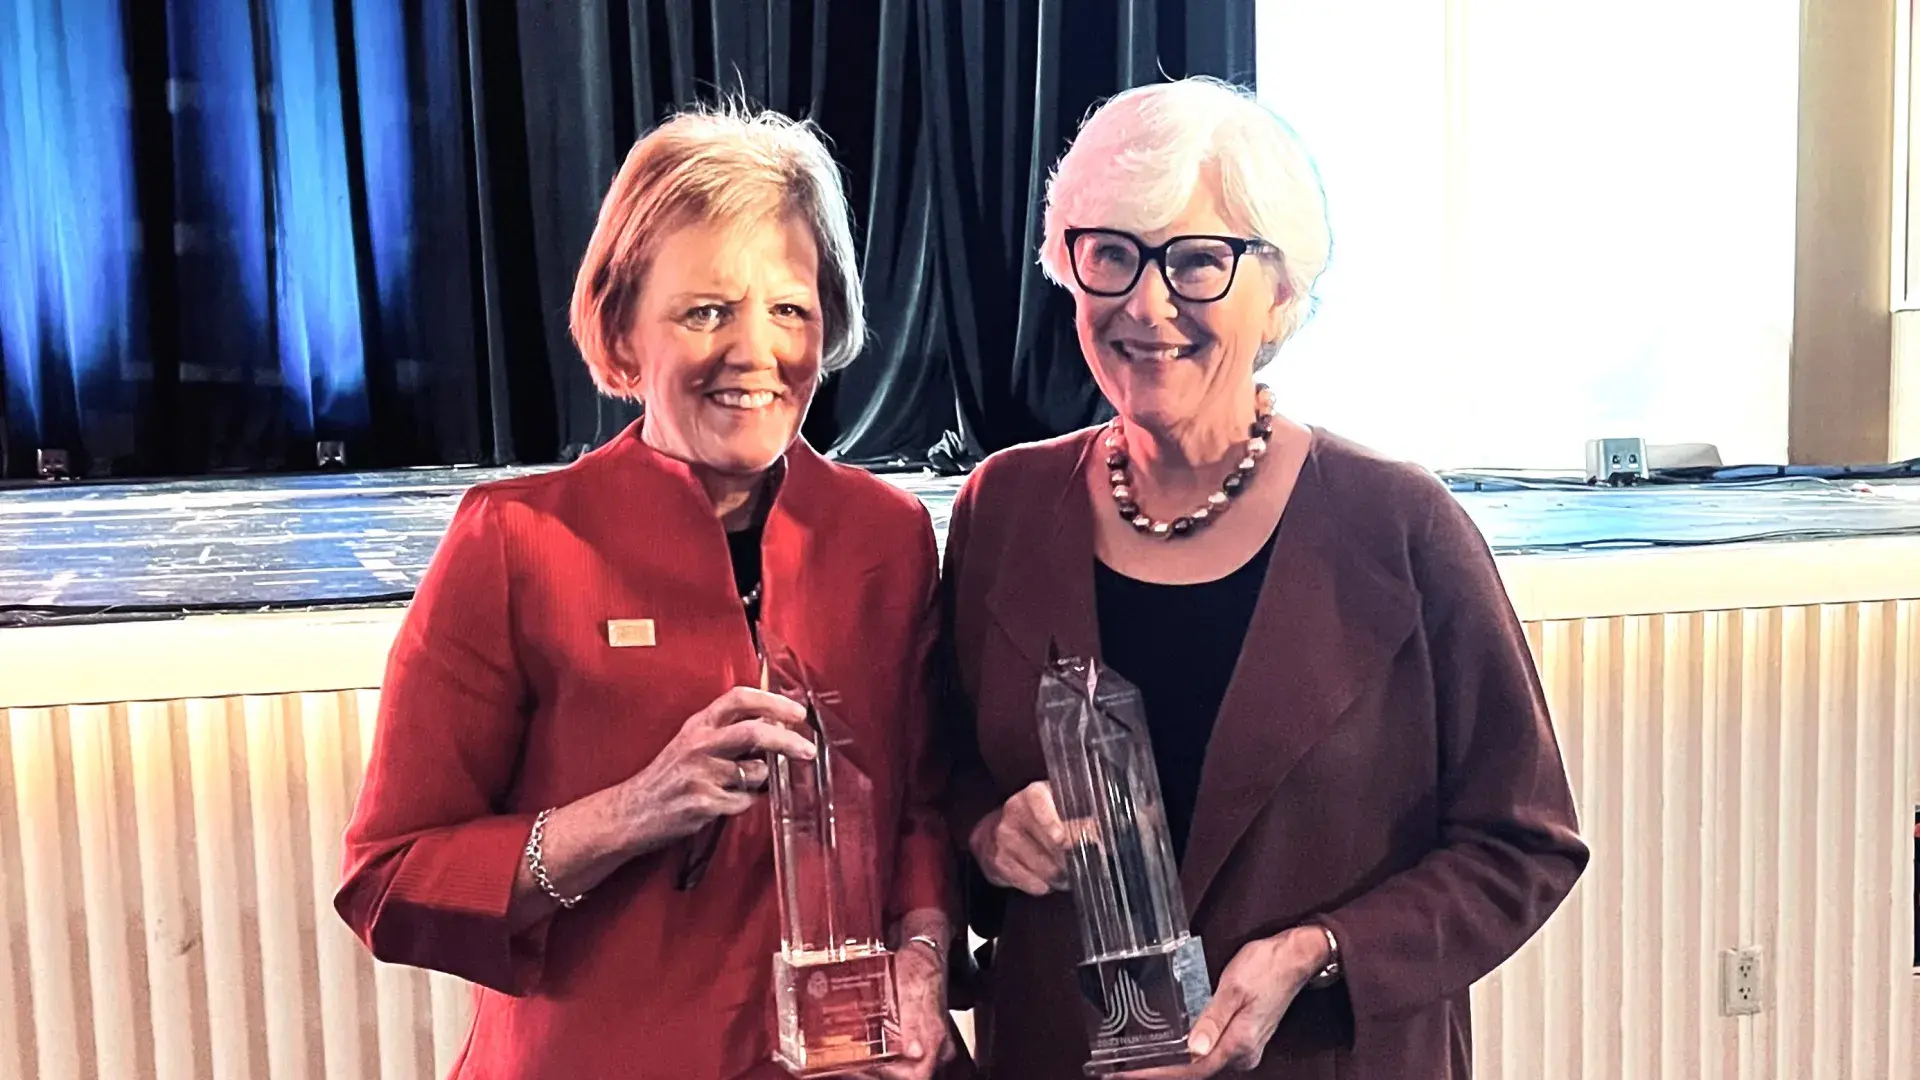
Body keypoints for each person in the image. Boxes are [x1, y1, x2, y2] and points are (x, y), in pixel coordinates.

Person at [940, 77, 1589, 1079]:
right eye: (1110, 254)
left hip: (1321, 1060)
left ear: (1282, 291)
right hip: (1060, 1055)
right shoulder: (1003, 508)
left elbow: (1524, 844)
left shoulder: (1401, 529)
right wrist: (989, 833)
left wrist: (1321, 951)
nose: (1146, 304)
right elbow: (940, 778)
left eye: (1199, 262)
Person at [335, 104, 958, 1079]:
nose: (756, 349)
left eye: (789, 308)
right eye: (707, 309)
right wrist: (632, 810)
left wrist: (919, 963)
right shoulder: (516, 541)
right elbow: (390, 881)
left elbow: (921, 812)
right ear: (624, 332)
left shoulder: (886, 537)